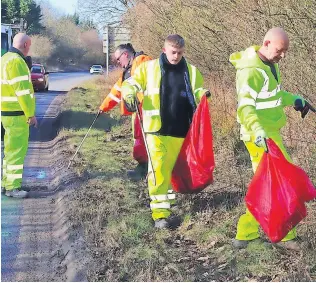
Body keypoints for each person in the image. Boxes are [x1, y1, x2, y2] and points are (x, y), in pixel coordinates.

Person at [229, 27, 313, 250]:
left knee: (271, 184)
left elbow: (275, 95)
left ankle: (248, 234)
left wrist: (295, 100)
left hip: (270, 134)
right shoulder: (250, 72)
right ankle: (277, 235)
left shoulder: (270, 65)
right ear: (266, 43)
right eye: (280, 50)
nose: (282, 56)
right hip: (259, 136)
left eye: (285, 51)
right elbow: (245, 109)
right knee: (276, 183)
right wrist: (258, 131)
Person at [122, 34, 211, 228]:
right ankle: (159, 214)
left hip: (182, 129)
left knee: (172, 170)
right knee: (159, 169)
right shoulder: (149, 68)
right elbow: (131, 83)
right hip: (156, 130)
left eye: (179, 52)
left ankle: (168, 204)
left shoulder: (192, 71)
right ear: (164, 50)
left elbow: (196, 91)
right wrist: (129, 95)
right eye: (173, 52)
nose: (176, 56)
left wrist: (203, 94)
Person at [99, 43, 151, 181]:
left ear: (125, 54)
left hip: (148, 112)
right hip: (138, 113)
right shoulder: (127, 71)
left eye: (118, 59)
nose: (118, 63)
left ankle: (148, 171)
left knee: (148, 142)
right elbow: (116, 92)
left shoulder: (142, 62)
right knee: (139, 141)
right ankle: (143, 169)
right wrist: (103, 108)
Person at [1, 33, 37, 198]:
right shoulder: (17, 62)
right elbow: (23, 92)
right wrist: (30, 114)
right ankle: (13, 188)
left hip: (6, 112)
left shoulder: (4, 59)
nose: (29, 49)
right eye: (29, 45)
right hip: (17, 114)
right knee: (17, 151)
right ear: (25, 45)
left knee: (9, 150)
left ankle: (5, 183)